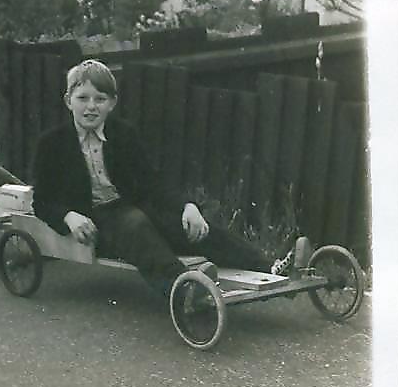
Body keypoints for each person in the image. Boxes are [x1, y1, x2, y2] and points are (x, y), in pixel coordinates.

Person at [32, 59, 306, 297]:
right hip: (94, 221)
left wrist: (187, 206)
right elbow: (42, 201)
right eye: (83, 98)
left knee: (184, 226)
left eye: (100, 99)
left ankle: (268, 266)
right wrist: (69, 216)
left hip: (131, 208)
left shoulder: (123, 134)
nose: (91, 107)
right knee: (136, 226)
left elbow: (152, 182)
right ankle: (182, 288)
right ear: (69, 101)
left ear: (112, 104)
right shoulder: (52, 144)